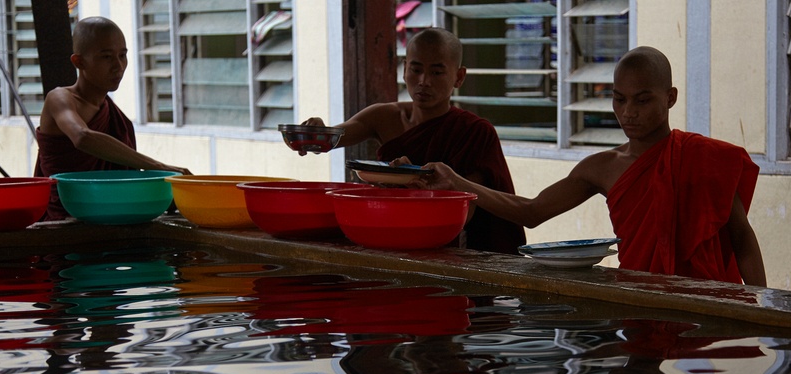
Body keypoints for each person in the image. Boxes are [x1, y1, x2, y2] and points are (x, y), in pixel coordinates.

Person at [416, 46, 767, 286]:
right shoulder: (602, 167)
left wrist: (758, 302)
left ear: (670, 97)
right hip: (638, 296)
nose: (628, 112)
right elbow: (532, 211)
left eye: (643, 100)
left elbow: (741, 237)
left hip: (706, 299)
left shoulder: (703, 157)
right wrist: (457, 182)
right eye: (619, 99)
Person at [302, 27, 526, 255]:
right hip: (389, 234)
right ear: (404, 69)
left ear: (458, 77)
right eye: (416, 69)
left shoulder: (474, 132)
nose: (424, 81)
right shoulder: (383, 117)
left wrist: (418, 190)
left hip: (453, 248)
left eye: (437, 73)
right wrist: (317, 133)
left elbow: (464, 211)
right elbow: (334, 136)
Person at [34, 16, 189, 221]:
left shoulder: (116, 116)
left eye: (122, 55)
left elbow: (124, 178)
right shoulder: (60, 98)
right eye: (106, 57)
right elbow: (82, 137)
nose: (118, 66)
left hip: (114, 219)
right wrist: (160, 167)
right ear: (79, 61)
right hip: (65, 223)